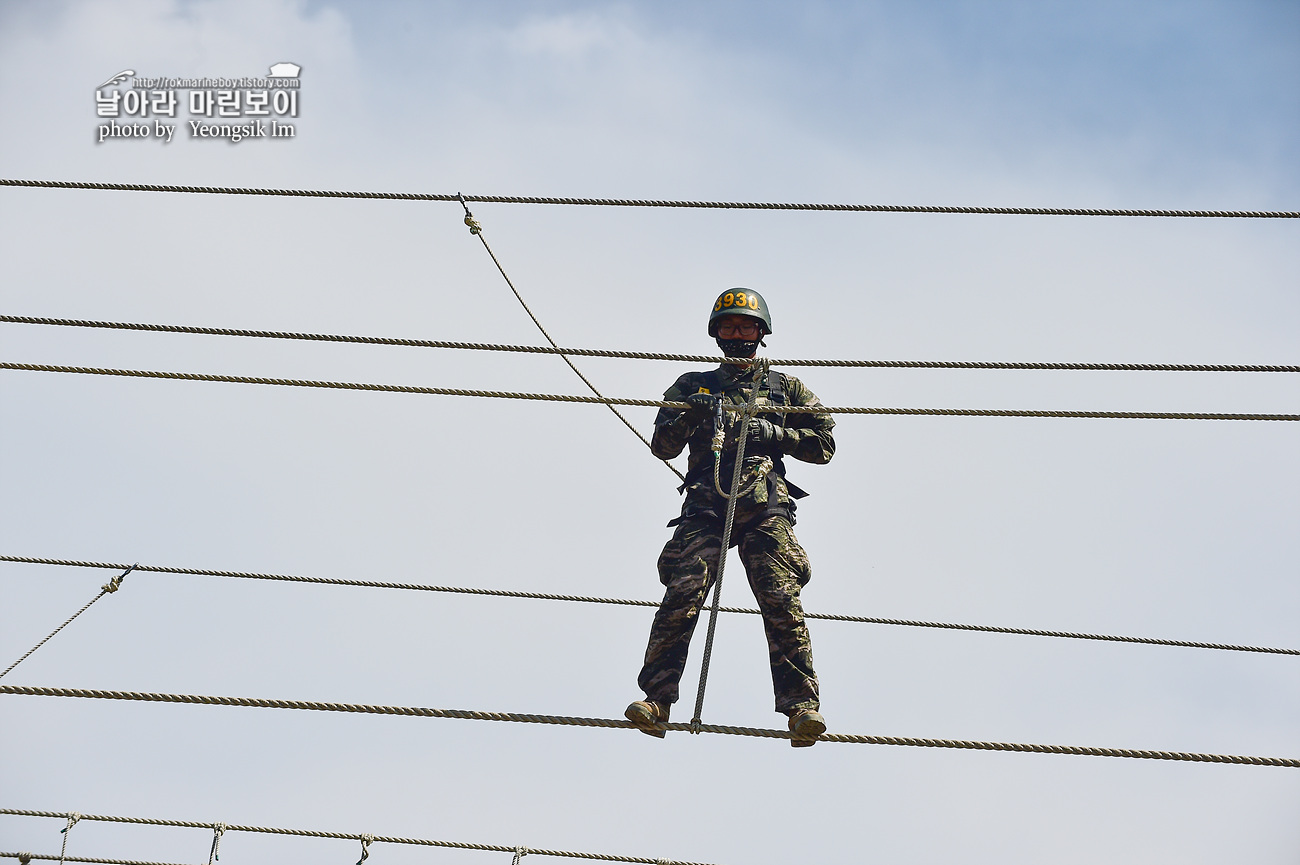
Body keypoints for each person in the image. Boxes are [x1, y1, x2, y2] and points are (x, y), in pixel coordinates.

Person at [626, 288, 836, 747]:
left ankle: (802, 708)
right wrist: (687, 417)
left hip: (764, 505)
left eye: (745, 326)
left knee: (781, 600)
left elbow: (824, 446)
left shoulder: (787, 388)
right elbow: (663, 446)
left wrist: (774, 432)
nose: (737, 333)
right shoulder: (692, 384)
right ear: (716, 333)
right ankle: (657, 701)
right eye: (729, 326)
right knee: (682, 595)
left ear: (761, 332)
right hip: (705, 503)